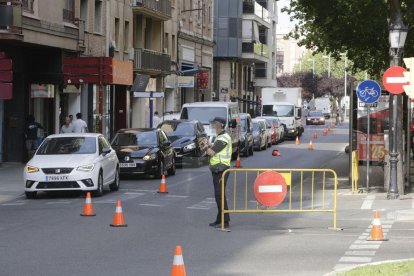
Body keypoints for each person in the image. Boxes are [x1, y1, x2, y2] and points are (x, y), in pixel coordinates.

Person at [206, 117, 232, 228]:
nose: (213, 126)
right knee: (219, 195)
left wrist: (206, 146)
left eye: (214, 124)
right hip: (217, 169)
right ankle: (219, 219)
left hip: (221, 169)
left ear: (220, 125)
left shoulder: (224, 138)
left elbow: (211, 152)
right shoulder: (220, 137)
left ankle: (225, 221)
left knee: (220, 195)